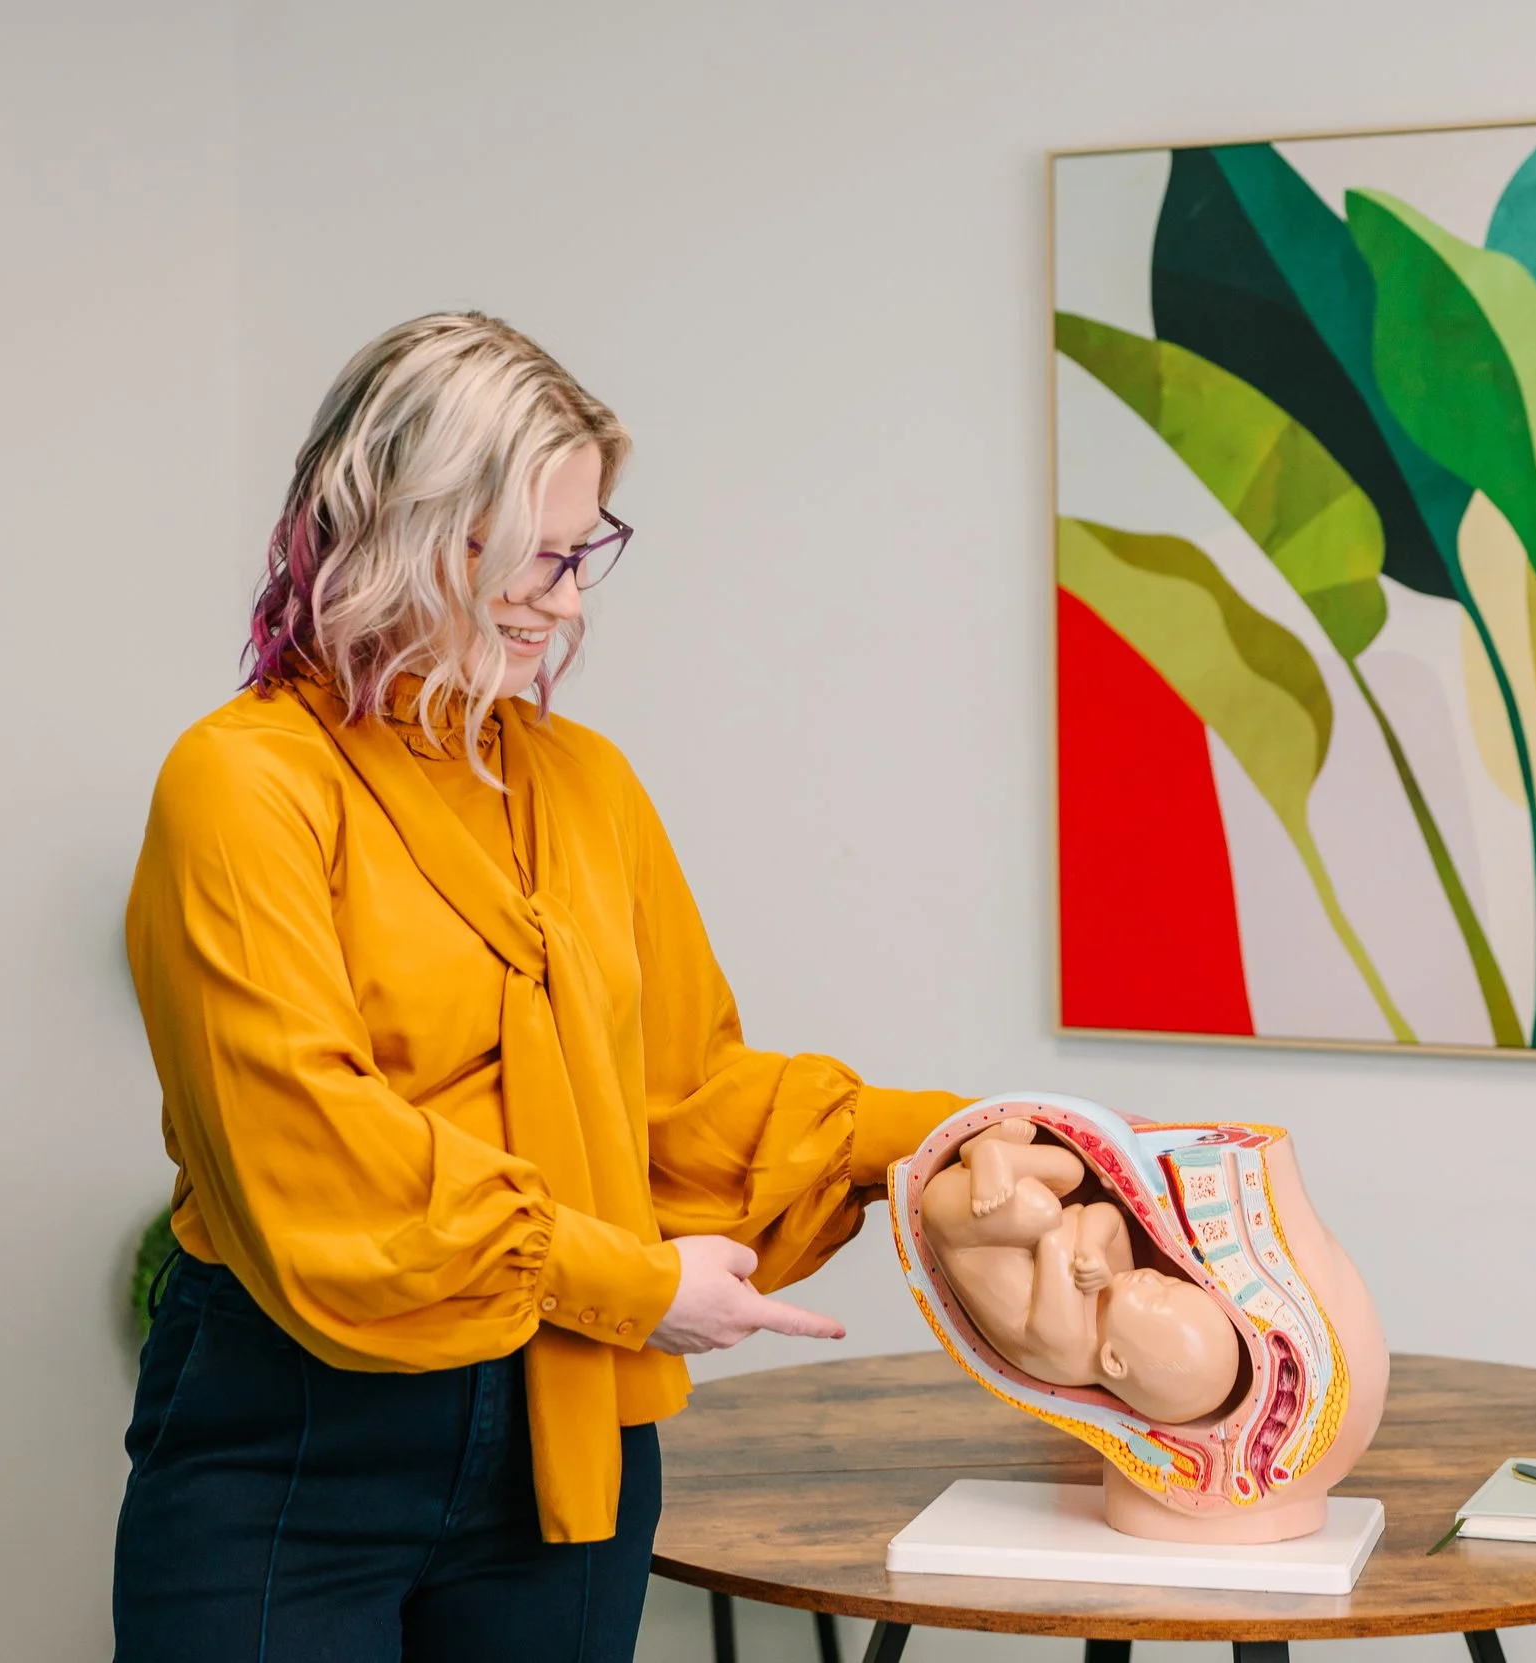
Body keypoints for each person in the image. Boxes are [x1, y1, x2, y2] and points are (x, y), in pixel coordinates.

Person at [114, 312, 966, 1661]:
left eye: (585, 552)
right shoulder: (244, 783)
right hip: (291, 1440)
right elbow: (312, 1159)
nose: (568, 599)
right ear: (393, 524)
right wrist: (630, 1284)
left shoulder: (590, 783)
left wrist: (949, 1132)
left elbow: (682, 1096)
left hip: (570, 1441)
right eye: (536, 555)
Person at [918, 1123, 1239, 1424]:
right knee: (1070, 1169)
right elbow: (1106, 1214)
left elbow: (1056, 1236)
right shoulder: (1112, 1297)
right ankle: (982, 1153)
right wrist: (1092, 1245)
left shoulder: (1064, 1347)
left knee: (1042, 1211)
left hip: (955, 1225)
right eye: (1169, 1282)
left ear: (1114, 1360)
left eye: (1155, 1299)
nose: (1150, 1277)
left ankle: (991, 1154)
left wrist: (1084, 1240)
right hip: (992, 1210)